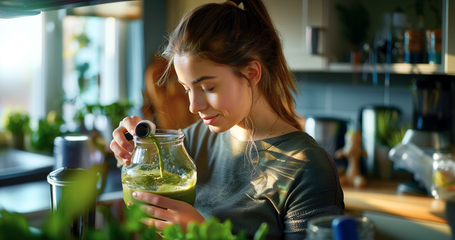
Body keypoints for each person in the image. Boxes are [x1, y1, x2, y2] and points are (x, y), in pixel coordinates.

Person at [110, 0, 345, 239]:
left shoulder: (307, 168)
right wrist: (131, 148)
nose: (194, 106)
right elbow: (144, 181)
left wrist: (205, 234)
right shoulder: (191, 142)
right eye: (186, 89)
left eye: (208, 87)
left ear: (251, 73)